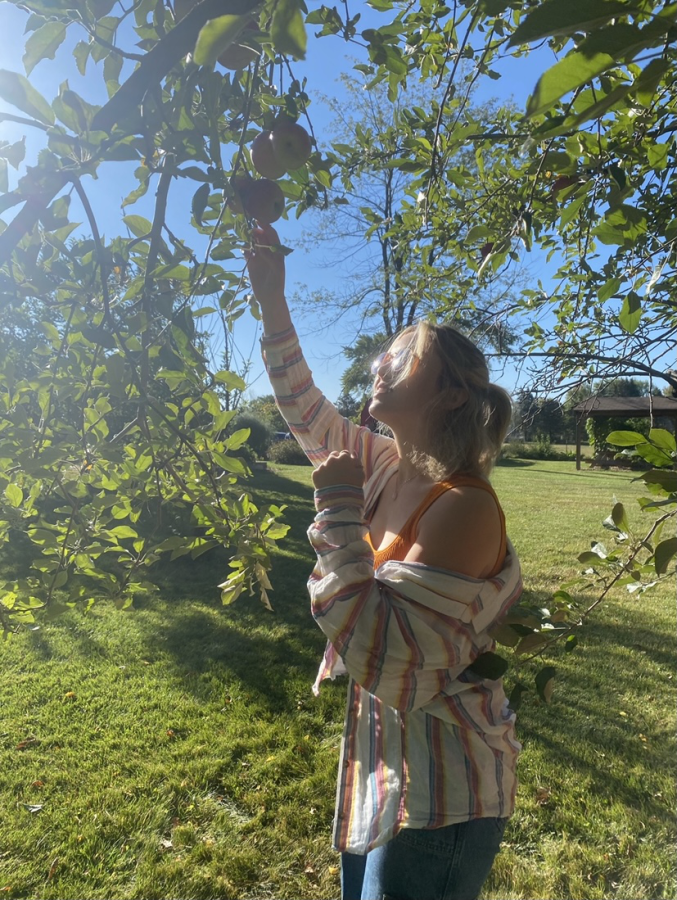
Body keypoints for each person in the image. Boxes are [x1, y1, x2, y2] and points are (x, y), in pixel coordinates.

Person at [246, 223, 523, 900]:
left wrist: (336, 511)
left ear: (452, 393)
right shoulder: (383, 461)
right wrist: (273, 300)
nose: (378, 364)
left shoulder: (464, 506)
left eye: (401, 358)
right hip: (385, 761)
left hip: (444, 785)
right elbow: (302, 405)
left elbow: (379, 644)